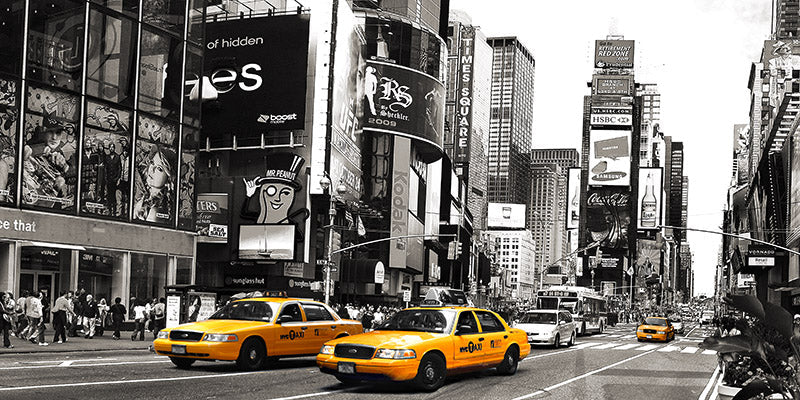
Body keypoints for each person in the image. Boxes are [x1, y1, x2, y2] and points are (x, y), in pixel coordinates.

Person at [132, 145, 176, 222]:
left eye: (159, 168)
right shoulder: (144, 194)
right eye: (152, 163)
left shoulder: (161, 206)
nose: (152, 169)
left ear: (168, 179)